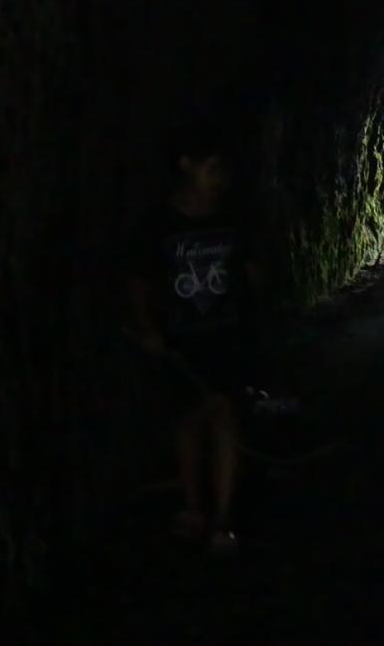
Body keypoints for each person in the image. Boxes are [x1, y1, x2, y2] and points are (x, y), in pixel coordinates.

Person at [126, 130, 260, 557]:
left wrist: (257, 308)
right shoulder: (161, 224)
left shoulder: (232, 218)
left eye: (223, 168)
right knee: (187, 420)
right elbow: (141, 280)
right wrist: (147, 327)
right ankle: (192, 508)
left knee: (222, 414)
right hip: (180, 338)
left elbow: (253, 270)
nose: (219, 177)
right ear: (186, 165)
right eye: (212, 167)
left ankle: (221, 517)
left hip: (226, 333)